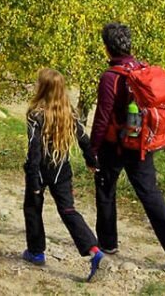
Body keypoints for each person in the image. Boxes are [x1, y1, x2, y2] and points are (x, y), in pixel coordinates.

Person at [90, 22, 165, 269]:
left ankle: (108, 243)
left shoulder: (110, 77)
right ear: (129, 44)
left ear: (107, 48)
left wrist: (92, 149)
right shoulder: (142, 69)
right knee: (149, 193)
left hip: (114, 145)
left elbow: (102, 117)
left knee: (105, 189)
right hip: (142, 143)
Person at [22, 68, 104, 282]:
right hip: (61, 171)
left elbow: (34, 151)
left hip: (39, 171)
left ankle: (36, 252)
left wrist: (33, 181)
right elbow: (84, 140)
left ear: (42, 88)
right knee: (68, 210)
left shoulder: (35, 115)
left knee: (32, 208)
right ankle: (94, 250)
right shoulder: (69, 112)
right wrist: (92, 161)